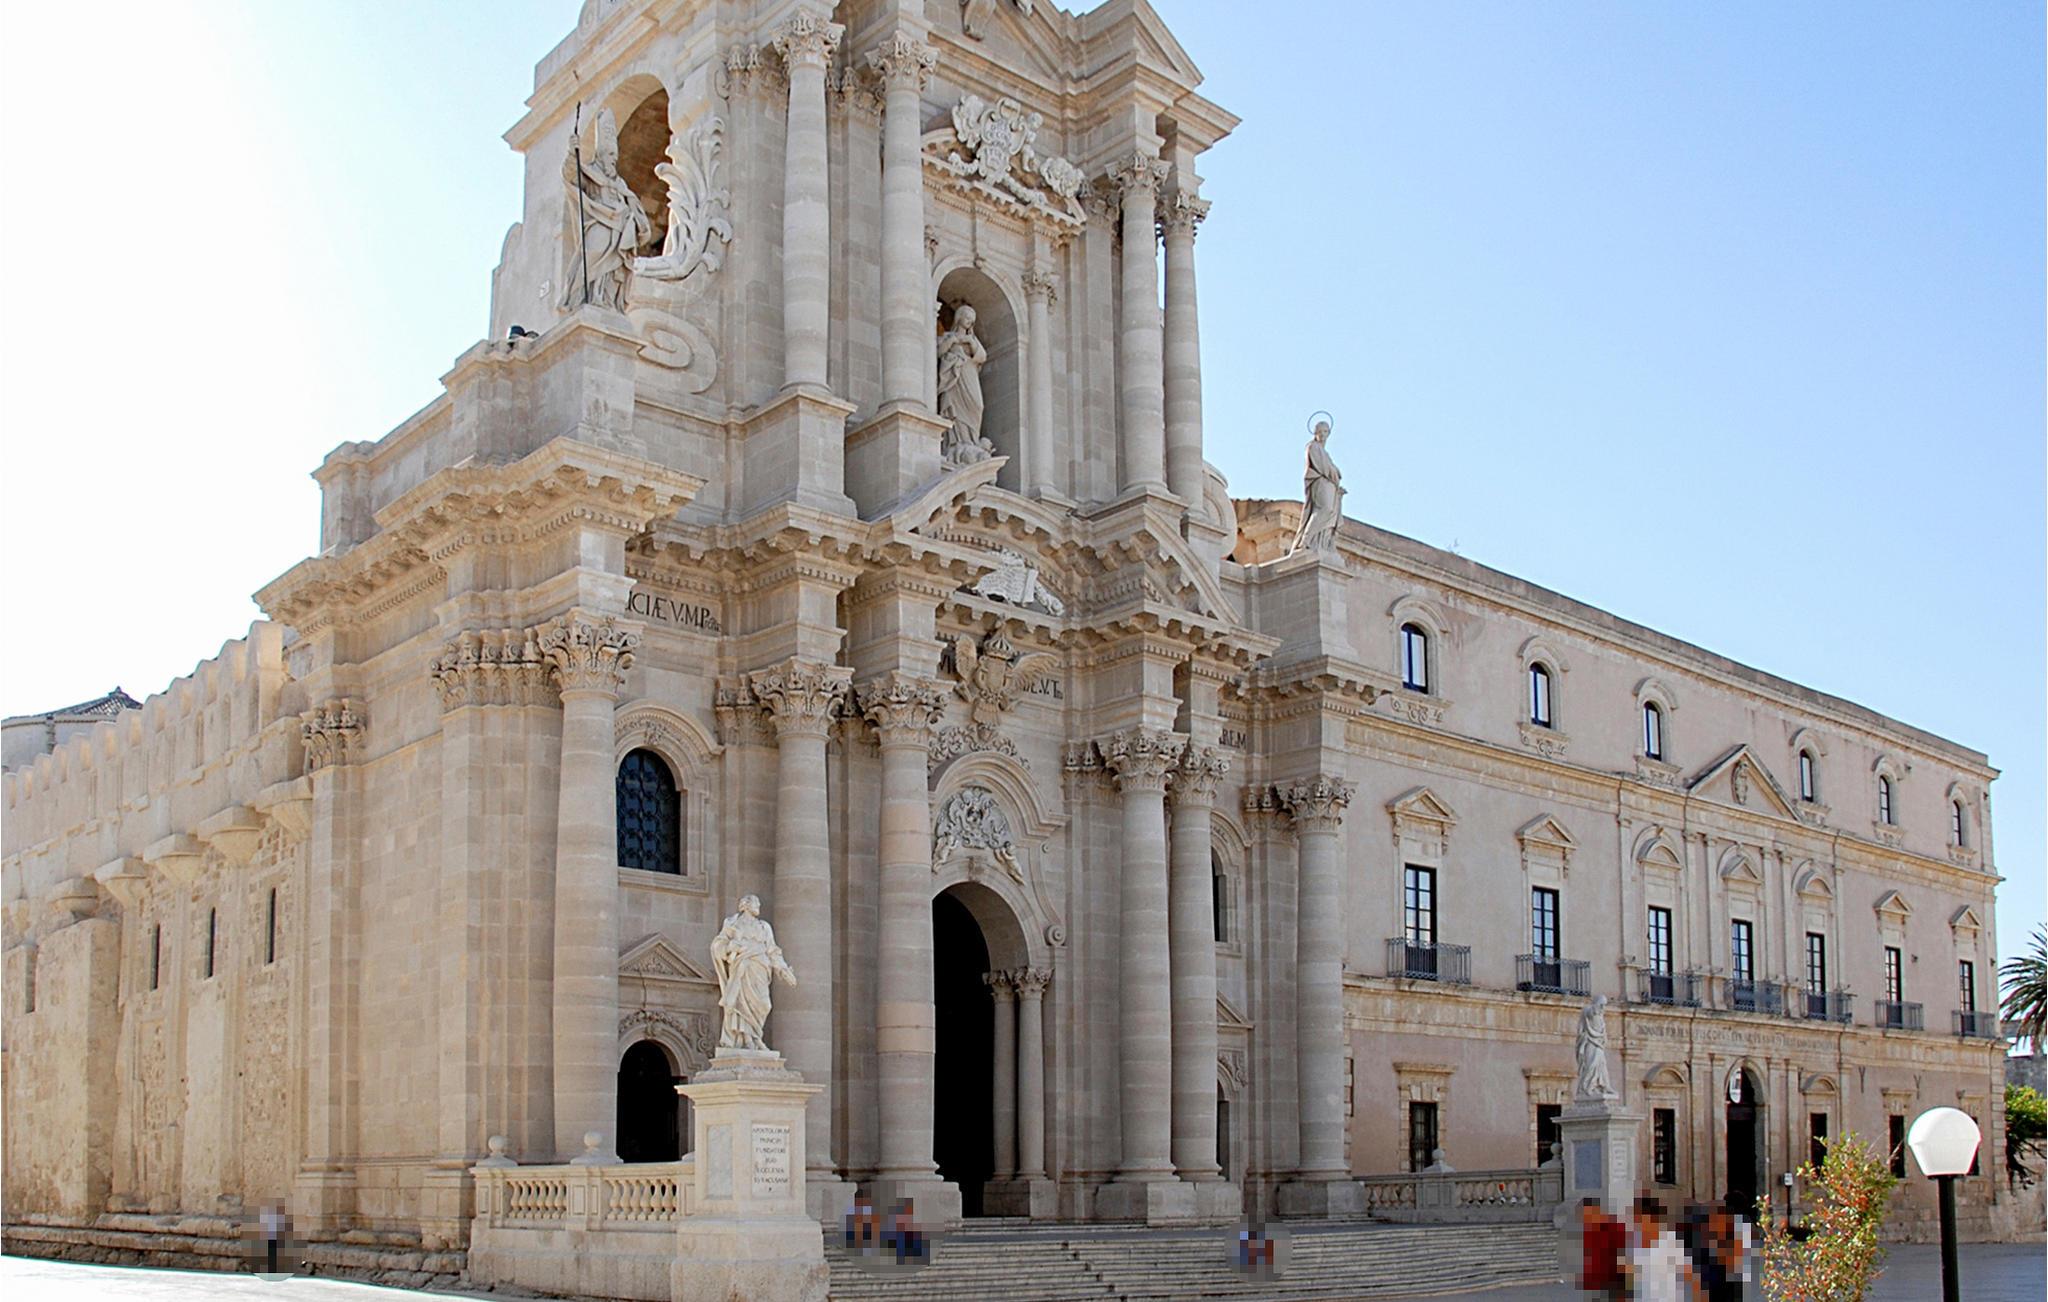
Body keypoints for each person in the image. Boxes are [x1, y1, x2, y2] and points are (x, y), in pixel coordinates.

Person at [710, 894, 796, 1051]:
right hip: (742, 967)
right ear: (745, 905)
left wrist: (783, 969)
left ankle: (755, 1036)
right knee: (741, 1003)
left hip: (761, 968)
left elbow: (773, 950)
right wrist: (729, 947)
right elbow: (717, 944)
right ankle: (749, 1039)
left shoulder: (764, 927)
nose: (759, 906)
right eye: (756, 903)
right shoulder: (733, 923)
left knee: (765, 1005)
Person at [936, 306, 992, 463]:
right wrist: (952, 341)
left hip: (970, 373)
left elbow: (982, 357)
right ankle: (958, 441)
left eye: (972, 320)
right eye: (967, 318)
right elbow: (939, 352)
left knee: (978, 405)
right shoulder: (948, 336)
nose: (970, 322)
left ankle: (972, 439)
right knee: (955, 407)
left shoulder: (972, 339)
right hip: (954, 378)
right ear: (959, 318)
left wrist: (970, 342)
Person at [1287, 418, 1344, 556]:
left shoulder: (1325, 453)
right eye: (1320, 431)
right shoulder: (1312, 447)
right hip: (1319, 483)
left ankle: (1319, 543)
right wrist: (1335, 475)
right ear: (1315, 433)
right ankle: (1305, 540)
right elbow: (1323, 467)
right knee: (1323, 509)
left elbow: (1331, 468)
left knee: (1329, 512)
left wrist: (1336, 480)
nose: (1322, 434)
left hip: (1329, 485)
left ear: (1329, 433)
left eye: (1325, 431)